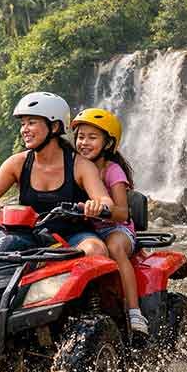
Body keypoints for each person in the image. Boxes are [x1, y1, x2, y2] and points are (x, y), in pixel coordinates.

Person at [0, 92, 114, 258]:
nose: (24, 130)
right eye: (23, 124)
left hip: (72, 236)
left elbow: (105, 200)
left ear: (54, 127)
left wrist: (98, 206)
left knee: (96, 249)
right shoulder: (16, 163)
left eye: (31, 123)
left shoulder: (81, 166)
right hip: (27, 236)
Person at [71, 108, 147, 336]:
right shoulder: (72, 168)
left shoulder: (112, 171)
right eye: (81, 137)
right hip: (86, 231)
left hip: (117, 229)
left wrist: (100, 210)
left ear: (108, 143)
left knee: (114, 248)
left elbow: (122, 212)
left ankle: (134, 311)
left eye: (92, 137)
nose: (84, 142)